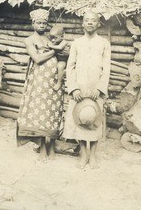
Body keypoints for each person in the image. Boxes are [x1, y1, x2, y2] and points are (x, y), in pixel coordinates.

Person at [62, 11, 111, 169]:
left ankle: (93, 156)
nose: (90, 23)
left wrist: (100, 87)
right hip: (80, 89)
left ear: (98, 24)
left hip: (96, 89)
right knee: (81, 120)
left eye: (93, 20)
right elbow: (70, 67)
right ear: (82, 24)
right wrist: (74, 88)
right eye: (87, 20)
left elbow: (107, 68)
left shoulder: (104, 43)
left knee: (94, 120)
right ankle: (84, 154)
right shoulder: (77, 43)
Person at [17, 9, 64, 162]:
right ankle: (43, 147)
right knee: (40, 112)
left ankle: (52, 146)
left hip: (54, 79)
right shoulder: (29, 40)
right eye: (39, 22)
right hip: (39, 80)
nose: (42, 25)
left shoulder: (50, 38)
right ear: (33, 23)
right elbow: (37, 58)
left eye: (44, 23)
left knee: (54, 111)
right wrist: (55, 52)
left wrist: (55, 50)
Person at [47, 25, 69, 91]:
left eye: (55, 37)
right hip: (58, 59)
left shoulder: (64, 42)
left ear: (62, 36)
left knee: (60, 66)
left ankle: (59, 83)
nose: (53, 40)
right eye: (51, 37)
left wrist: (50, 45)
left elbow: (60, 48)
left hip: (64, 60)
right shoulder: (55, 42)